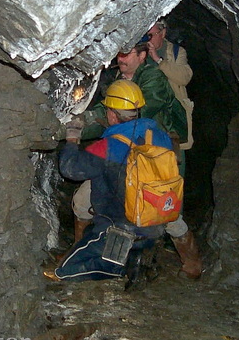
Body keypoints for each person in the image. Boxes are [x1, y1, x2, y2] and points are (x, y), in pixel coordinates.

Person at [72, 39, 202, 280]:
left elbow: (130, 115)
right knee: (83, 201)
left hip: (153, 158)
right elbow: (107, 115)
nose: (120, 58)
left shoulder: (153, 79)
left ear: (142, 56)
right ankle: (81, 254)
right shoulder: (115, 80)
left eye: (127, 53)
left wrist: (83, 124)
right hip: (120, 159)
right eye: (118, 53)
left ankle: (191, 262)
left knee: (166, 211)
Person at [51, 80, 170, 287]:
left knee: (65, 271)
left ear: (113, 115)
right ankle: (137, 256)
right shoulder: (160, 136)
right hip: (155, 224)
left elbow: (70, 169)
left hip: (117, 229)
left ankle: (122, 266)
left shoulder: (108, 146)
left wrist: (72, 138)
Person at [145, 19, 194, 151]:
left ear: (163, 33)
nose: (148, 40)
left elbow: (184, 77)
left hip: (172, 117)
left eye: (151, 35)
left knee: (173, 160)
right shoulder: (139, 52)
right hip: (148, 116)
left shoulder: (176, 52)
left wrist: (159, 61)